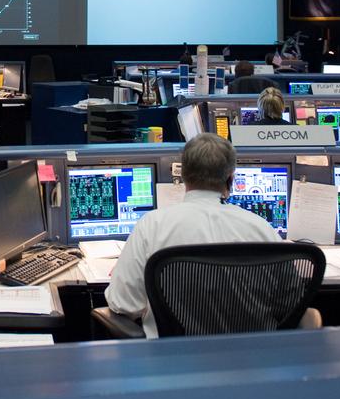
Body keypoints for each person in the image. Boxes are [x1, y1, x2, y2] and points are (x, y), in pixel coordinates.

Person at [105, 133, 284, 337]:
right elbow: (290, 302)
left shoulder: (152, 225)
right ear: (230, 179)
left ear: (183, 175)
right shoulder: (262, 228)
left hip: (175, 361)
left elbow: (123, 304)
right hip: (255, 361)